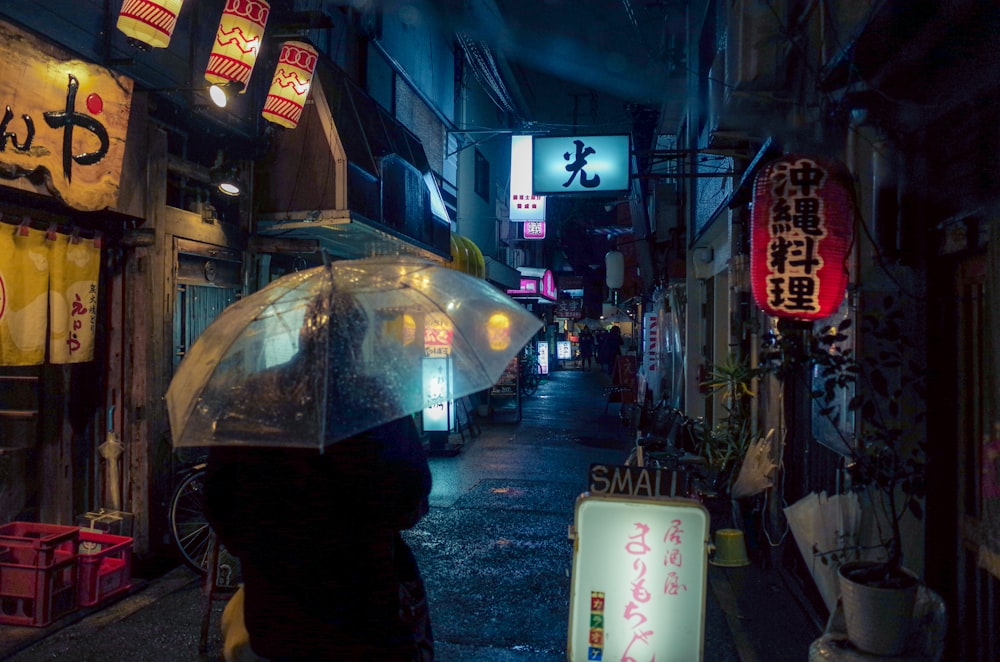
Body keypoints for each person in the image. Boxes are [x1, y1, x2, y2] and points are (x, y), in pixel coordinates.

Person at [204, 294, 434, 661]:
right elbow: (410, 495)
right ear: (357, 339)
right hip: (363, 610)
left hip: (276, 609)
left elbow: (217, 496)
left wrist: (258, 547)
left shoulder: (250, 396)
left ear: (303, 334)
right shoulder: (374, 402)